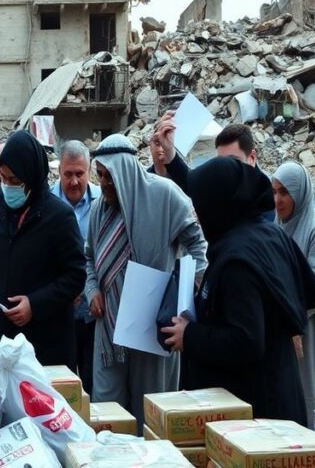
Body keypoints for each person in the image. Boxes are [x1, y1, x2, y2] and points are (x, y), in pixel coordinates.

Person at [162, 157, 315, 425]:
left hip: (253, 414)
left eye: (199, 204)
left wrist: (190, 335)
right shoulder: (269, 235)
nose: (196, 214)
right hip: (278, 391)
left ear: (217, 204)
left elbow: (246, 340)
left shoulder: (238, 260)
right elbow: (307, 294)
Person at [83, 134, 207, 427]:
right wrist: (92, 289)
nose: (103, 183)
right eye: (99, 175)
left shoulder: (164, 196)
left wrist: (183, 298)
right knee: (108, 416)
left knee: (150, 414)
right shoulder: (100, 209)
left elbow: (199, 248)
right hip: (109, 331)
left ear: (126, 171)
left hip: (152, 328)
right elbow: (88, 258)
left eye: (109, 176)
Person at [0, 131, 86, 367]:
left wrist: (35, 304)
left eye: (15, 181)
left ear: (33, 177)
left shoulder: (59, 217)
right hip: (4, 343)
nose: (8, 186)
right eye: (4, 179)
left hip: (48, 345)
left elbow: (75, 276)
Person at [272, 162, 315, 419]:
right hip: (283, 327)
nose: (278, 200)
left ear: (300, 194)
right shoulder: (278, 229)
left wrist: (291, 318)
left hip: (309, 326)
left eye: (285, 193)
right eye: (274, 192)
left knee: (311, 391)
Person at [50, 140, 101, 389]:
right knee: (62, 388)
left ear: (89, 171)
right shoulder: (45, 204)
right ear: (59, 171)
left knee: (94, 386)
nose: (73, 181)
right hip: (58, 316)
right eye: (68, 174)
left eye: (79, 174)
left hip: (95, 314)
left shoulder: (103, 202)